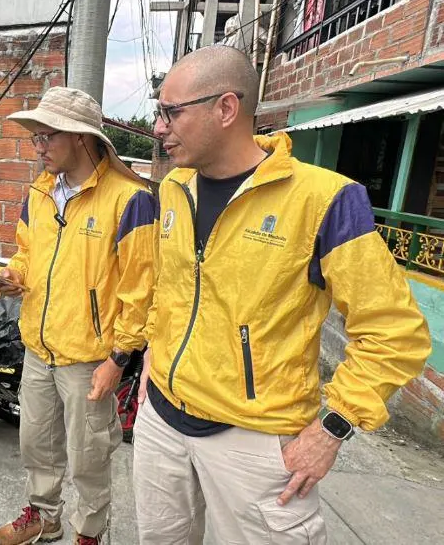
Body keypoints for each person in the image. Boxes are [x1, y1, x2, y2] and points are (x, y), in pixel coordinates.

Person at [135, 44, 431, 544]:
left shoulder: (326, 200)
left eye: (171, 111)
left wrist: (332, 429)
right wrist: (151, 357)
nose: (159, 126)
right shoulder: (174, 190)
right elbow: (173, 290)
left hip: (254, 443)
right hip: (161, 423)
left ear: (226, 108)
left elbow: (394, 334)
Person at [0, 87, 156, 545]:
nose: (38, 147)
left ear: (82, 138)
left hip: (90, 358)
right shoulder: (40, 193)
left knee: (89, 455)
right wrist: (13, 274)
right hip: (38, 348)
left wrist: (118, 358)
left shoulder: (129, 200)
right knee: (36, 445)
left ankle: (89, 532)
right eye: (35, 138)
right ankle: (45, 517)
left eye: (48, 136)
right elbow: (28, 253)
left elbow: (140, 291)